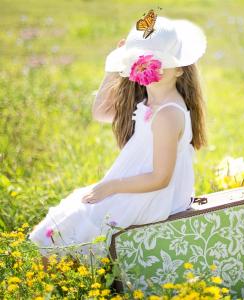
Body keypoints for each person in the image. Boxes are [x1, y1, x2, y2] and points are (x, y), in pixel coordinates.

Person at [27, 13, 208, 270]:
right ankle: (61, 282)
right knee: (67, 214)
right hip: (133, 188)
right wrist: (113, 68)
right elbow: (101, 111)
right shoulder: (149, 102)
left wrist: (110, 187)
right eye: (140, 62)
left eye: (159, 63)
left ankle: (67, 284)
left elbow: (160, 178)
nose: (149, 67)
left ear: (180, 68)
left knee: (77, 220)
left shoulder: (168, 113)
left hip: (151, 196)